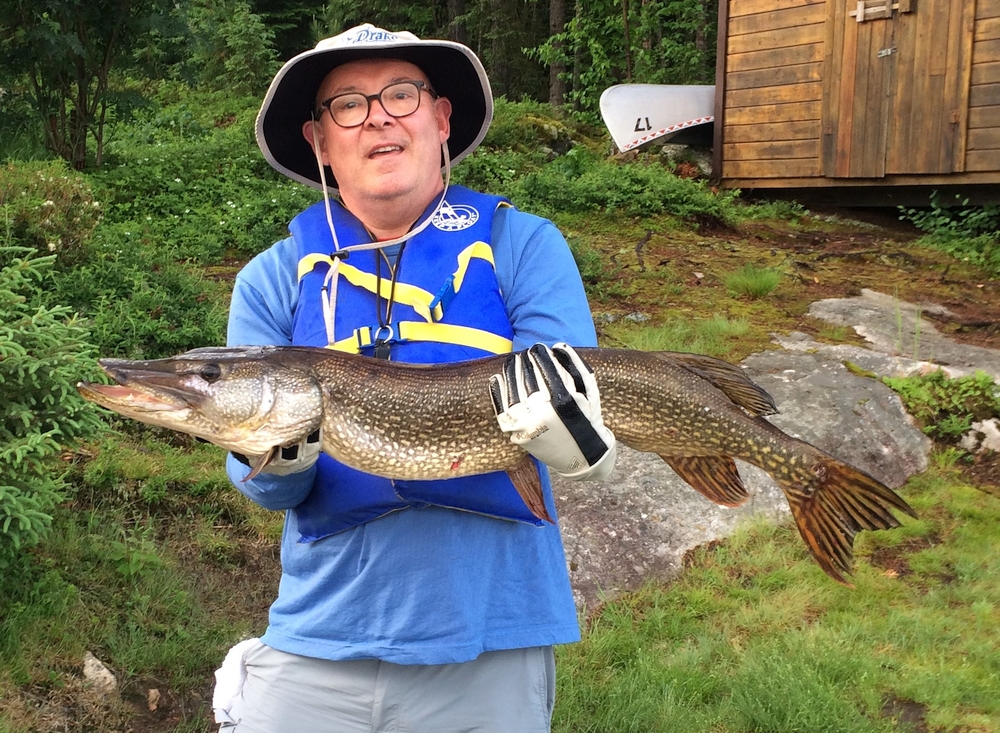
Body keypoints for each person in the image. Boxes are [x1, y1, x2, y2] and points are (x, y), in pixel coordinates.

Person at [213, 23, 617, 733]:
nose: (378, 117)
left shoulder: (523, 245)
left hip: (493, 644)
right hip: (317, 643)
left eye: (401, 94)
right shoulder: (273, 279)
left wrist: (575, 432)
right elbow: (269, 489)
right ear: (319, 141)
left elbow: (585, 413)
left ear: (441, 119)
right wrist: (274, 453)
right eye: (347, 104)